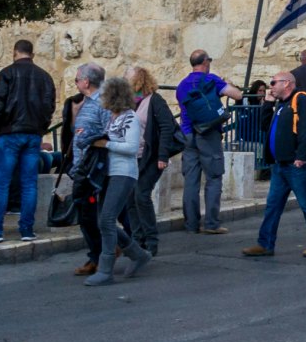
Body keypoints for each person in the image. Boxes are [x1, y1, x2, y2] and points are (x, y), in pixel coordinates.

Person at [243, 71, 306, 258]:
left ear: (287, 84)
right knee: (272, 206)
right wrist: (267, 103)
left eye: (274, 82)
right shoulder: (282, 104)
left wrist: (301, 155)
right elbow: (265, 126)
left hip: (296, 164)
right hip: (280, 165)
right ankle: (265, 244)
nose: (270, 86)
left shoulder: (301, 99)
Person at [0, 39, 57, 243]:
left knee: (1, 183)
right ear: (32, 54)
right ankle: (27, 230)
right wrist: (41, 128)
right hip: (33, 134)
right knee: (29, 183)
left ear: (15, 53)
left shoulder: (6, 74)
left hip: (9, 132)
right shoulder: (45, 77)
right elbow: (49, 106)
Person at [86, 77, 153, 286]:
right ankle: (138, 254)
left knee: (106, 220)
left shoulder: (130, 118)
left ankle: (106, 270)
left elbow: (132, 148)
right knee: (103, 220)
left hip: (123, 173)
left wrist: (106, 144)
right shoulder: (113, 119)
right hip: (108, 173)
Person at [176, 51, 240, 236]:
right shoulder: (212, 80)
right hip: (209, 134)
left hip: (188, 134)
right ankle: (211, 223)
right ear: (205, 62)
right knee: (213, 178)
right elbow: (236, 95)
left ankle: (191, 224)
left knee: (191, 181)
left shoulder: (182, 85)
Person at [122, 67, 182, 255]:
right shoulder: (130, 102)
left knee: (141, 195)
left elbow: (166, 127)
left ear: (139, 80)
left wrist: (163, 156)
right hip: (133, 157)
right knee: (130, 198)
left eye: (127, 77)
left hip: (152, 157)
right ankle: (136, 238)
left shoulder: (155, 100)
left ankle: (151, 240)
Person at [68, 63, 110, 277]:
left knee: (89, 215)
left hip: (92, 170)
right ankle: (112, 250)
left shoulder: (102, 102)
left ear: (86, 81)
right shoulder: (88, 102)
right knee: (90, 215)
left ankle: (99, 256)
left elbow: (108, 132)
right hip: (83, 167)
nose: (75, 83)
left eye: (76, 79)